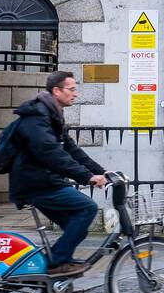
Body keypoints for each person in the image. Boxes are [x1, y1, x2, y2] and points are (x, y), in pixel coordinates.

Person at [7, 71, 108, 276]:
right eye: (71, 89)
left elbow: (72, 150)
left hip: (45, 181)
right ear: (56, 90)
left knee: (76, 226)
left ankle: (49, 267)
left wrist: (103, 172)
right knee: (87, 208)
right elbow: (51, 154)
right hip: (35, 184)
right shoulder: (37, 118)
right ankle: (57, 263)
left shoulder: (53, 116)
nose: (75, 94)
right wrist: (87, 177)